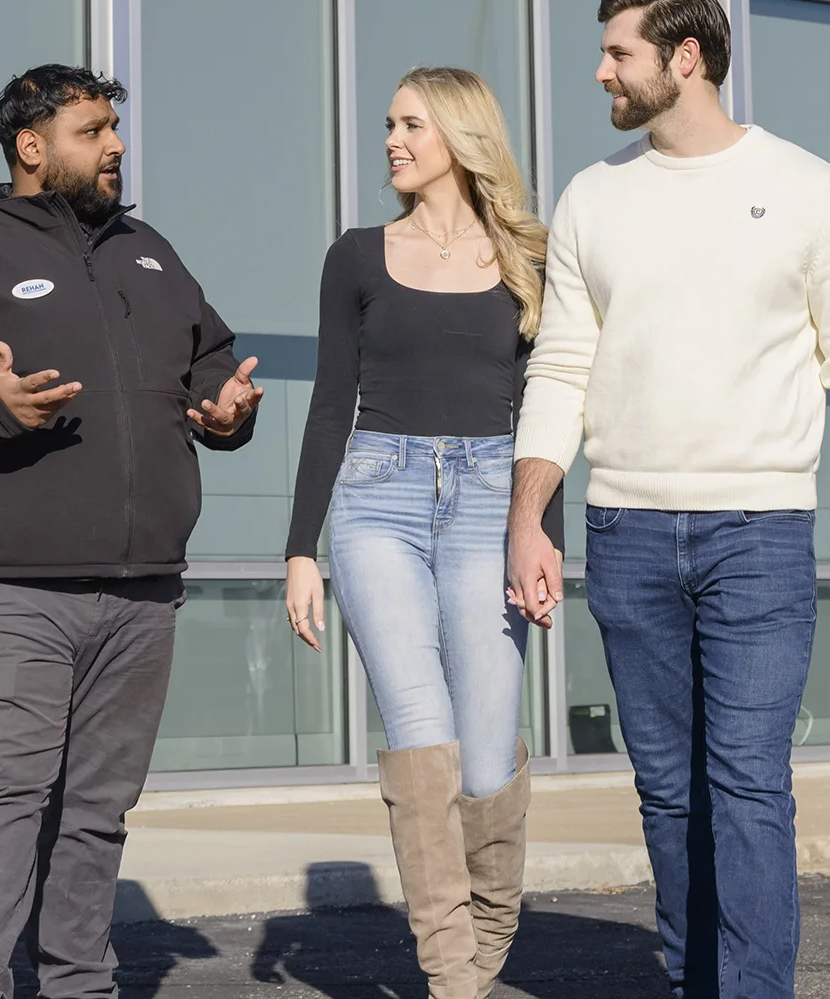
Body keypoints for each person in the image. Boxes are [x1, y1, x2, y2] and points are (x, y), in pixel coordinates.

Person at [503, 0, 830, 999]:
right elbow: (561, 364)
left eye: (620, 53)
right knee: (667, 793)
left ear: (684, 57)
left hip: (759, 531)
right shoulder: (595, 195)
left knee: (745, 785)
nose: (601, 69)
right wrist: (530, 515)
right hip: (630, 531)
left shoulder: (808, 187)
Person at [0, 64, 265, 999]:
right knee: (3, 795)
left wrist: (227, 410)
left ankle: (80, 986)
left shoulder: (152, 254)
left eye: (114, 128)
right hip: (0, 584)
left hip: (141, 587)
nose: (115, 145)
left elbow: (210, 362)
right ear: (31, 147)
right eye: (92, 131)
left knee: (95, 811)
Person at [283, 68, 548, 999]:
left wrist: (537, 535)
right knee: (421, 733)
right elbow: (327, 407)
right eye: (389, 125)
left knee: (483, 751)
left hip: (489, 497)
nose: (392, 140)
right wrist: (301, 548)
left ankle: (490, 933)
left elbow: (542, 415)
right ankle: (452, 978)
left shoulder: (529, 260)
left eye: (410, 124)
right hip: (375, 499)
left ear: (461, 136)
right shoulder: (356, 256)